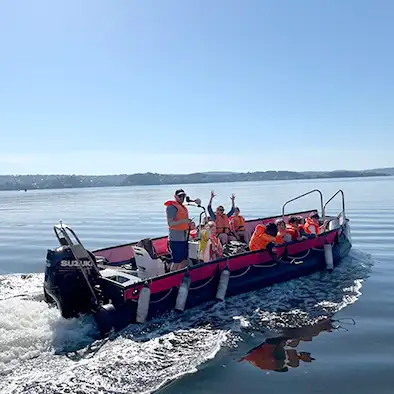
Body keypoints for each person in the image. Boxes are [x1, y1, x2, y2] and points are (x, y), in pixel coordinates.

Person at [164, 189, 191, 271]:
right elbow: (170, 223)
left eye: (183, 196)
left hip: (183, 237)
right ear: (175, 196)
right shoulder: (171, 207)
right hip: (176, 239)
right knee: (176, 261)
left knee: (184, 260)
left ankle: (179, 275)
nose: (182, 198)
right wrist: (184, 221)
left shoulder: (182, 207)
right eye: (180, 196)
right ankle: (171, 277)